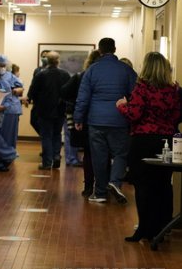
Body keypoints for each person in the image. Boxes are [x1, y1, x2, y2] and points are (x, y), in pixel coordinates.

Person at [116, 52, 180, 242]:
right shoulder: (174, 90)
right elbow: (177, 116)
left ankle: (145, 229)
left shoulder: (142, 88)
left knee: (143, 186)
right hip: (167, 141)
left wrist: (121, 105)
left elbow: (134, 114)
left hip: (143, 141)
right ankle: (163, 227)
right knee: (163, 184)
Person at [74, 37, 137, 204]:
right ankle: (115, 182)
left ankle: (100, 193)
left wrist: (78, 118)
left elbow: (83, 97)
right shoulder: (126, 70)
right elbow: (137, 96)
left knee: (99, 158)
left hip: (96, 121)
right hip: (120, 120)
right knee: (120, 154)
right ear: (115, 49)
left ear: (100, 51)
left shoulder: (92, 70)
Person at [61, 50, 101, 197]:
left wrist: (77, 114)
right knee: (104, 154)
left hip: (86, 119)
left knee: (89, 154)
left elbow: (64, 92)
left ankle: (89, 186)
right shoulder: (109, 77)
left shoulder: (81, 76)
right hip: (105, 120)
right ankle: (103, 187)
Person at [27, 52, 71, 169]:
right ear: (58, 61)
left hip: (44, 110)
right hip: (60, 110)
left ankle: (47, 162)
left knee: (46, 136)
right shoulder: (65, 74)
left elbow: (33, 92)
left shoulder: (41, 75)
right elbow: (68, 93)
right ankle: (56, 156)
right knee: (57, 134)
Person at [0, 54, 24, 172]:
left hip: (11, 110)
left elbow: (21, 88)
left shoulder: (10, 76)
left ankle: (4, 162)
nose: (1, 68)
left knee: (9, 137)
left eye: (3, 66)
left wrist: (15, 90)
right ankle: (8, 155)